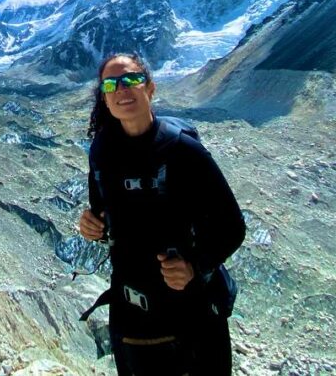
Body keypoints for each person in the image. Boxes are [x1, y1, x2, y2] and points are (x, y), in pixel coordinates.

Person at [79, 53, 246, 376]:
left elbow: (232, 226)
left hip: (191, 316)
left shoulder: (184, 150)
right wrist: (92, 225)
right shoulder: (102, 151)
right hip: (130, 318)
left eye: (131, 80)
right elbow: (102, 215)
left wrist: (194, 266)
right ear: (104, 97)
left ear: (150, 88)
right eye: (111, 84)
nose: (122, 89)